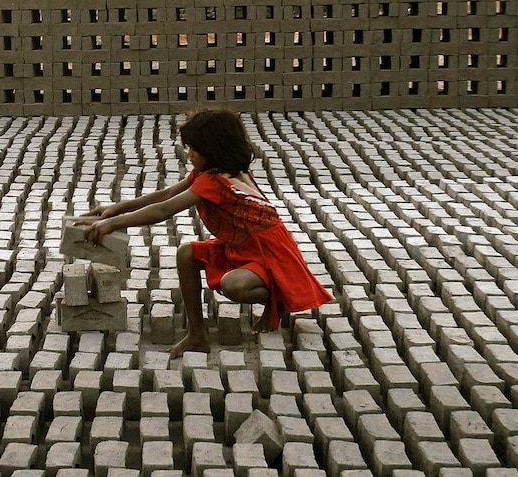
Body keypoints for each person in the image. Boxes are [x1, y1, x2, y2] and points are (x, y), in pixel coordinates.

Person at [78, 108, 334, 358]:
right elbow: (166, 194)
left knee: (233, 285)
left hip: (270, 253)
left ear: (214, 150)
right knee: (186, 253)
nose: (188, 154)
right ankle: (197, 335)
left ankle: (277, 296)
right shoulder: (209, 172)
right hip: (241, 244)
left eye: (193, 149)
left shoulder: (216, 182)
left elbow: (163, 210)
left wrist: (114, 224)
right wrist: (116, 209)